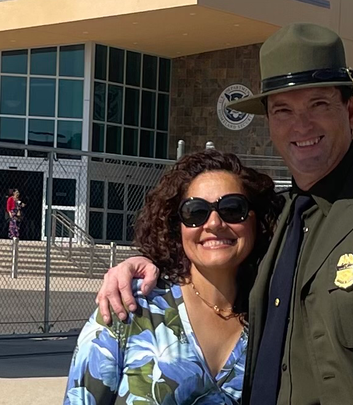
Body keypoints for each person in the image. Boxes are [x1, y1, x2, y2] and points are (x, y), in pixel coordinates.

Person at [96, 23, 353, 405]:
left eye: (318, 104)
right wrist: (147, 263)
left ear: (351, 110)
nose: (301, 124)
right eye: (283, 110)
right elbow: (212, 251)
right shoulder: (274, 221)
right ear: (270, 123)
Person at [64, 150, 282, 404]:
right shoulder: (130, 309)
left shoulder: (275, 321)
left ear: (258, 221)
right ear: (176, 226)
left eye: (233, 209)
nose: (214, 223)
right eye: (196, 211)